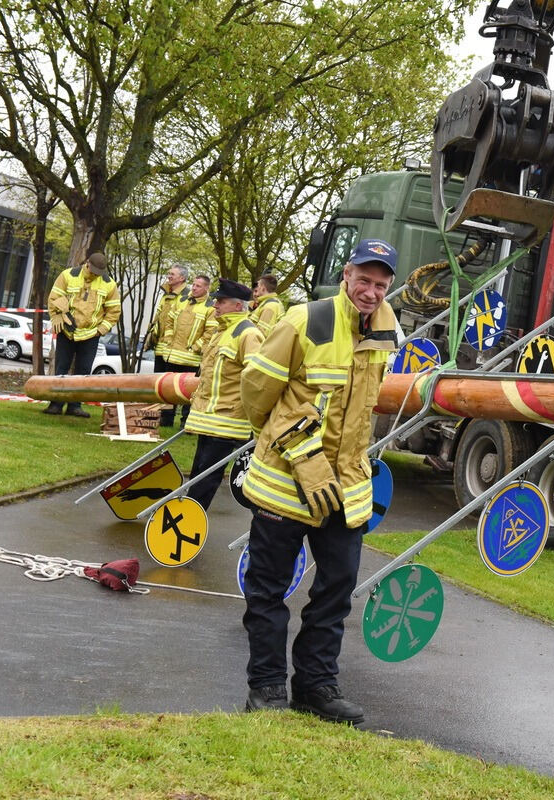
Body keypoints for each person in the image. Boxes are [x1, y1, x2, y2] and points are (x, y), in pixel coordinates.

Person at [239, 238, 399, 724]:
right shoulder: (306, 318)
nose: (371, 291)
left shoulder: (389, 331)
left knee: (336, 589)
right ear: (346, 273)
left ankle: (315, 685)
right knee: (268, 588)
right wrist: (287, 445)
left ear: (389, 284)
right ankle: (266, 686)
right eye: (364, 280)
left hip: (346, 485)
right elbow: (257, 391)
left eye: (381, 283)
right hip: (285, 482)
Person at [183, 279, 263, 510]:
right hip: (208, 418)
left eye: (221, 301)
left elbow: (256, 380)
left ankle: (189, 521)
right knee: (198, 473)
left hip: (227, 422)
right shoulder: (222, 331)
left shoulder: (248, 334)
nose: (215, 305)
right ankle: (189, 514)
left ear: (238, 306)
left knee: (206, 479)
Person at [43, 252, 120, 417]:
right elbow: (54, 297)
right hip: (67, 331)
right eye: (93, 271)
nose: (95, 275)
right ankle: (55, 404)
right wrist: (56, 316)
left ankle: (74, 406)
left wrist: (101, 330)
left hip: (91, 334)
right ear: (87, 264)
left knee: (83, 371)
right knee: (61, 368)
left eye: (99, 273)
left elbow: (114, 311)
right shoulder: (68, 275)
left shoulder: (109, 284)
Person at [158, 274, 217, 428]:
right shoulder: (182, 301)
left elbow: (210, 332)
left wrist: (195, 347)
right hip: (173, 355)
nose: (194, 288)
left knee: (190, 392)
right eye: (194, 284)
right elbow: (169, 321)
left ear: (206, 288)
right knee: (168, 390)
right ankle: (166, 419)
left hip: (191, 359)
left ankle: (186, 422)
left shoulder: (210, 307)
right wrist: (168, 340)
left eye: (198, 286)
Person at [249, 273, 284, 338]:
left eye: (258, 285)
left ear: (263, 288)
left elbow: (261, 335)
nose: (256, 287)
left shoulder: (270, 306)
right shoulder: (266, 303)